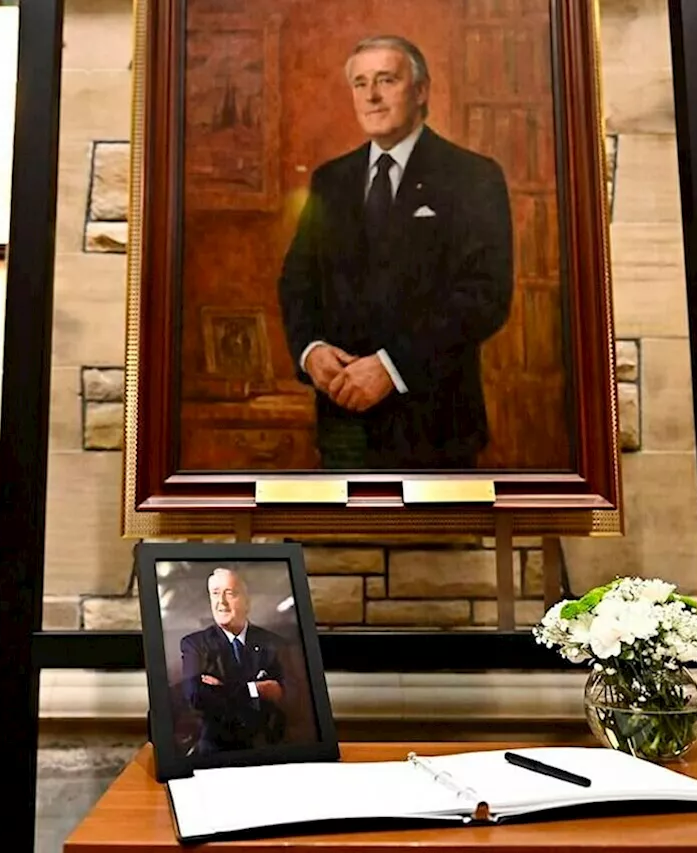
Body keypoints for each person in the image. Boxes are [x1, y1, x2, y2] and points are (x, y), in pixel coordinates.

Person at [278, 34, 513, 469]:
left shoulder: (472, 177)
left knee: (439, 540)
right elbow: (298, 281)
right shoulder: (332, 180)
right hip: (343, 420)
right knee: (341, 540)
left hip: (437, 426)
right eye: (360, 83)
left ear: (421, 90)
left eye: (387, 80)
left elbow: (485, 297)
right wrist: (311, 351)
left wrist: (392, 367)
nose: (371, 95)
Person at [180, 568, 286, 755]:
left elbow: (286, 696)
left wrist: (222, 688)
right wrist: (256, 689)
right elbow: (196, 697)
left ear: (247, 601)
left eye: (230, 593)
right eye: (215, 594)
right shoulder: (194, 645)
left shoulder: (273, 643)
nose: (221, 602)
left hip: (266, 748)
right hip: (214, 752)